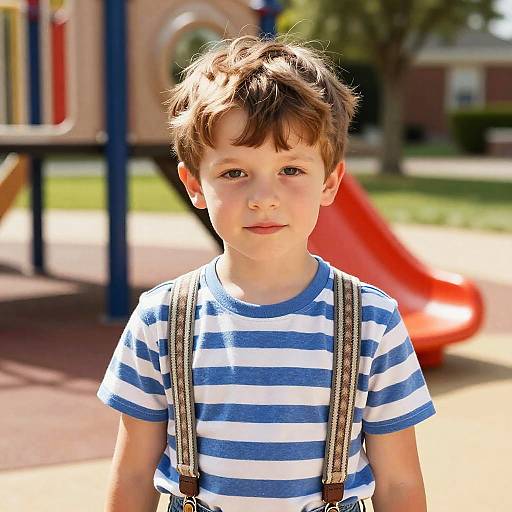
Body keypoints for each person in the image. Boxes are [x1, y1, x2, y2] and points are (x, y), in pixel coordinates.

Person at [97, 35, 436, 512]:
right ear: (195, 184)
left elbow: (399, 483)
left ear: (330, 181)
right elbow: (132, 473)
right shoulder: (160, 319)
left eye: (291, 169)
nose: (263, 197)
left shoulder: (371, 321)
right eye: (235, 173)